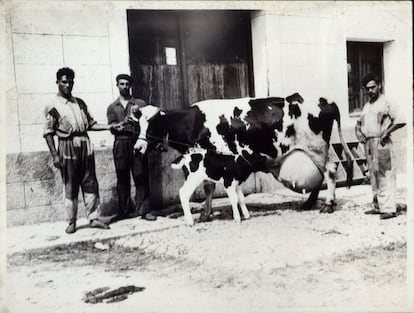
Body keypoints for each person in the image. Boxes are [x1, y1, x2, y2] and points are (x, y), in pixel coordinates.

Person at [43, 67, 120, 234]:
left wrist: (110, 126)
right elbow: (48, 133)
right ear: (57, 82)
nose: (67, 85)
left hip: (85, 144)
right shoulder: (52, 106)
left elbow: (91, 124)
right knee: (70, 185)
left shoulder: (80, 102)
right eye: (64, 82)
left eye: (70, 82)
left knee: (90, 182)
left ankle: (93, 218)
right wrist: (55, 156)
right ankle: (71, 222)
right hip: (67, 146)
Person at [106, 74, 157, 221]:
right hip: (120, 143)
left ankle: (144, 210)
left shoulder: (139, 103)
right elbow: (112, 129)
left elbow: (148, 122)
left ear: (130, 86)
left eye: (127, 84)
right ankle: (124, 211)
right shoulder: (112, 107)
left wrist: (136, 118)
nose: (124, 87)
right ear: (117, 85)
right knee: (122, 178)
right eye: (121, 84)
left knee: (141, 176)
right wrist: (121, 124)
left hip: (136, 142)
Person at [355, 73, 405, 220]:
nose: (370, 91)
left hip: (382, 143)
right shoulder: (366, 106)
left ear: (379, 86)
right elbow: (358, 124)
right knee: (373, 174)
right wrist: (358, 132)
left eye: (373, 87)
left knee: (385, 174)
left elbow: (401, 120)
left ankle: (389, 209)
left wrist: (387, 132)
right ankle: (378, 205)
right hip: (369, 144)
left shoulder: (386, 102)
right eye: (367, 89)